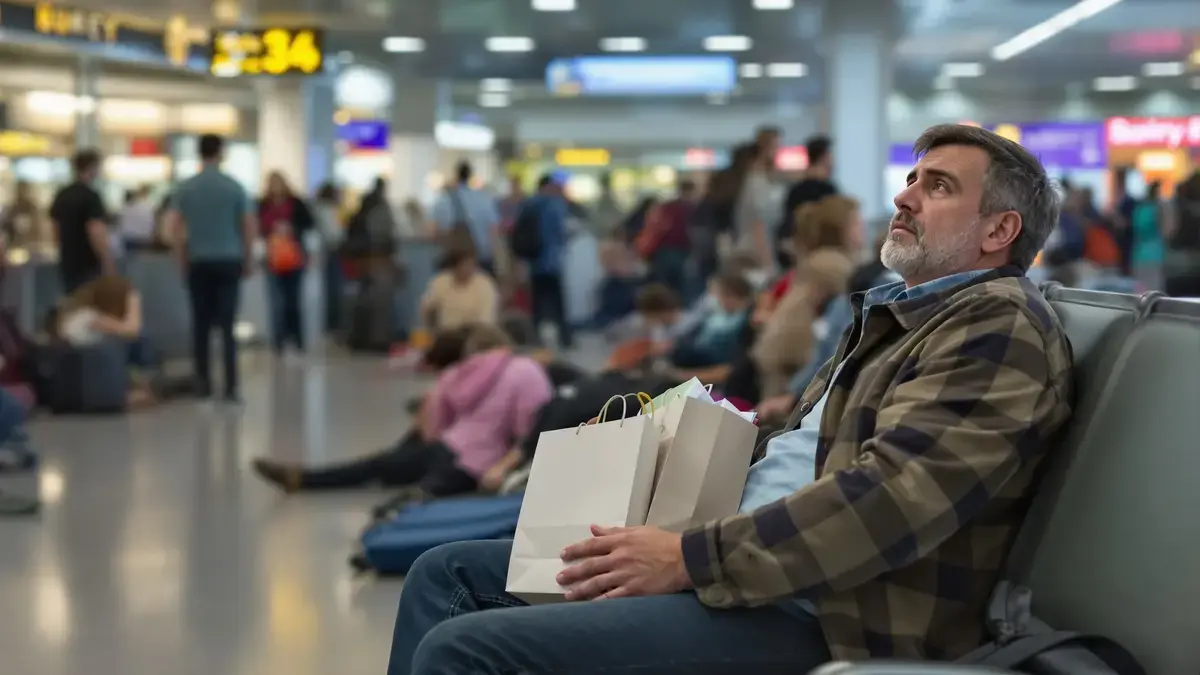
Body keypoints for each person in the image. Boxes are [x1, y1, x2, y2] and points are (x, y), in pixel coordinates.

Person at [385, 123, 1072, 674]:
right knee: (444, 573)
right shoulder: (901, 312)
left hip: (829, 611)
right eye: (913, 178)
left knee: (462, 649)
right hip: (747, 559)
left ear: (998, 231)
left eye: (939, 186)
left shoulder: (996, 325)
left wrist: (687, 557)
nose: (905, 196)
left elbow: (894, 499)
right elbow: (803, 450)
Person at [164, 133, 255, 402]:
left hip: (198, 261)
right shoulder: (234, 187)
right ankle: (231, 386)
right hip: (229, 260)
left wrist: (180, 259)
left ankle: (203, 384)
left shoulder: (187, 188)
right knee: (227, 326)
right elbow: (248, 227)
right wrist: (248, 259)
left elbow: (174, 229)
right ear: (222, 153)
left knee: (200, 324)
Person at [751, 194, 862, 399]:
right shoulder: (834, 264)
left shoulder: (820, 260)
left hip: (786, 352)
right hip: (792, 356)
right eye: (856, 222)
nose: (861, 228)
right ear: (840, 229)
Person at [52, 274, 156, 406]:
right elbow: (132, 331)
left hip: (82, 378)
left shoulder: (79, 315)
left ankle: (140, 386)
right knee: (141, 341)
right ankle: (143, 385)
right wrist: (134, 299)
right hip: (91, 382)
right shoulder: (89, 318)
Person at [258, 172, 315, 354]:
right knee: (276, 302)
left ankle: (297, 339)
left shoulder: (296, 204)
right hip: (272, 258)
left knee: (294, 301)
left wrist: (292, 229)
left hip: (294, 258)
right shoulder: (262, 205)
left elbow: (309, 224)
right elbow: (255, 226)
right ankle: (279, 341)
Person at [50, 149, 115, 293]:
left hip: (67, 262)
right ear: (92, 167)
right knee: (90, 307)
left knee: (73, 305)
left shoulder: (62, 195)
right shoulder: (91, 196)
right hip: (88, 263)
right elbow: (95, 231)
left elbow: (55, 228)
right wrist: (107, 261)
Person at [523, 173, 572, 349]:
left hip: (534, 261)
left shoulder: (529, 204)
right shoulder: (555, 205)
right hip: (552, 262)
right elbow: (561, 232)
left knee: (537, 303)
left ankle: (535, 338)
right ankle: (565, 337)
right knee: (558, 302)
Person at [777, 135, 838, 267]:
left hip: (797, 251)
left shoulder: (795, 190)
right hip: (820, 251)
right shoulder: (827, 191)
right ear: (824, 157)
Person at [432, 161, 501, 273]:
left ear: (456, 175)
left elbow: (433, 231)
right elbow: (493, 231)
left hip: (453, 261)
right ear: (470, 175)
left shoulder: (444, 199)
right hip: (481, 259)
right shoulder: (484, 198)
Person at [420, 241, 500, 331]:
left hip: (475, 337)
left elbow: (486, 322)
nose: (465, 268)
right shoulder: (440, 282)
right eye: (461, 264)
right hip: (445, 336)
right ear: (453, 266)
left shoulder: (485, 284)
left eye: (469, 263)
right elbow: (427, 310)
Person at [637, 179, 697, 290]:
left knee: (664, 284)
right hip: (679, 250)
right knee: (681, 284)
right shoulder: (692, 209)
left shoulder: (668, 207)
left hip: (665, 250)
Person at [733, 142, 777, 273]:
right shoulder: (757, 183)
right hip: (757, 251)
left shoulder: (745, 183)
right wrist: (767, 261)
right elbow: (758, 223)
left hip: (748, 246)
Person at [313, 182, 345, 333]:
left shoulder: (319, 209)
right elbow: (335, 234)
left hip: (326, 252)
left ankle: (331, 323)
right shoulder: (328, 210)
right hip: (331, 252)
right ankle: (333, 324)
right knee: (333, 289)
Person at [1130, 181, 1166, 290]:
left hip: (1139, 254)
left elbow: (1135, 229)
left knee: (1141, 290)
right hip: (1155, 255)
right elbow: (1167, 230)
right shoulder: (1158, 209)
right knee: (1155, 291)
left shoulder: (1139, 210)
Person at [1, 180, 45, 249]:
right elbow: (5, 228)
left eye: (23, 190)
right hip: (15, 247)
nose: (21, 193)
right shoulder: (12, 208)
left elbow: (39, 228)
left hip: (33, 246)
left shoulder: (33, 208)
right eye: (19, 190)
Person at [118, 185, 157, 251]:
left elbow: (120, 224)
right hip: (144, 238)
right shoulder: (147, 206)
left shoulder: (124, 208)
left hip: (129, 238)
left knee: (130, 258)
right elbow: (152, 223)